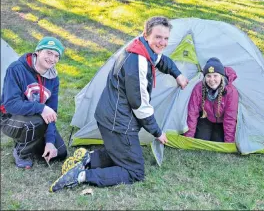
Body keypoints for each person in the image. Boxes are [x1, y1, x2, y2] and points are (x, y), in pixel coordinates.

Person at [50, 16, 189, 192]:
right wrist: (157, 132)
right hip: (119, 123)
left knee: (125, 154)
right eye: (158, 37)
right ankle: (81, 176)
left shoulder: (143, 49)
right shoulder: (137, 61)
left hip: (110, 116)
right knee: (135, 171)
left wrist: (177, 74)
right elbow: (139, 105)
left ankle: (89, 159)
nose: (162, 42)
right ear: (146, 35)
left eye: (166, 38)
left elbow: (161, 60)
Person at [0, 37, 67, 169]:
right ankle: (22, 152)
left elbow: (52, 112)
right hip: (8, 118)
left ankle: (32, 139)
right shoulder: (16, 69)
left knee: (60, 153)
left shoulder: (54, 78)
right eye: (48, 52)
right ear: (37, 52)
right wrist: (41, 108)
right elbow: (11, 104)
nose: (52, 59)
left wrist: (49, 142)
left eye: (56, 56)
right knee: (37, 122)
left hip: (34, 118)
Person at [184, 57, 239, 143]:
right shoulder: (199, 88)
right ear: (204, 77)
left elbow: (230, 118)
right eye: (208, 76)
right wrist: (188, 138)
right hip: (206, 118)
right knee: (201, 141)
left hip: (222, 121)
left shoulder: (231, 92)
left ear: (221, 76)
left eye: (215, 75)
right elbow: (192, 113)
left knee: (218, 142)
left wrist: (229, 144)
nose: (212, 80)